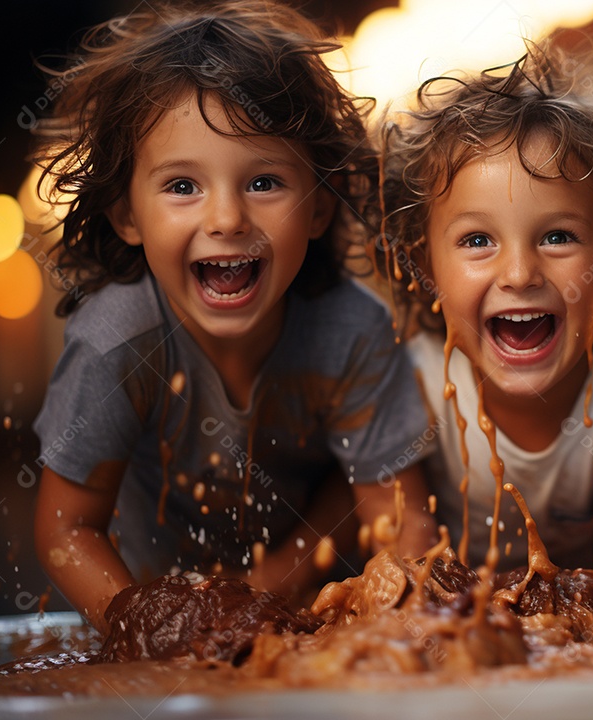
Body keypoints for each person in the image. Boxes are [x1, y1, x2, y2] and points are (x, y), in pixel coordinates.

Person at [29, 1, 438, 634]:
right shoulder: (117, 344)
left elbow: (401, 516)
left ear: (321, 210)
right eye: (182, 186)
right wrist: (150, 630)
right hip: (149, 607)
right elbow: (65, 529)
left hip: (310, 613)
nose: (226, 219)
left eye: (264, 181)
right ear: (126, 215)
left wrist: (403, 631)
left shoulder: (351, 332)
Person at [374, 36, 593, 609]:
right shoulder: (408, 384)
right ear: (419, 260)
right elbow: (403, 577)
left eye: (558, 236)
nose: (519, 272)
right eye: (477, 240)